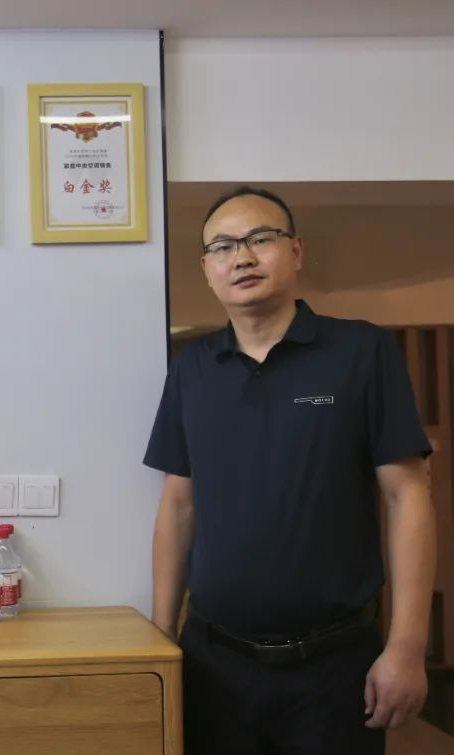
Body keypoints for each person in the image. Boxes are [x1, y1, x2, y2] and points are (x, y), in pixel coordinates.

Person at [144, 186, 436, 754]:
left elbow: (408, 498)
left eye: (260, 239)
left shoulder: (362, 352)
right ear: (206, 269)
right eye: (223, 246)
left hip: (335, 666)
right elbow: (179, 504)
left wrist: (406, 647)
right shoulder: (191, 370)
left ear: (296, 251)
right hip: (213, 663)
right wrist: (161, 641)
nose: (242, 257)